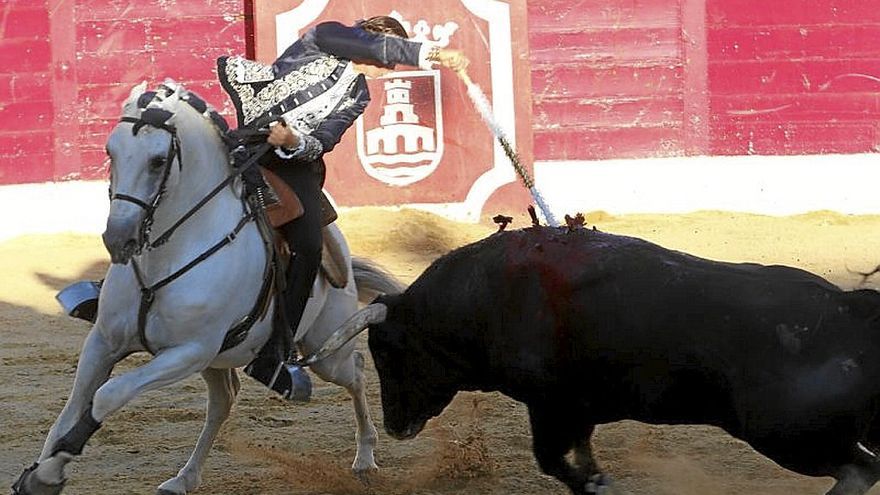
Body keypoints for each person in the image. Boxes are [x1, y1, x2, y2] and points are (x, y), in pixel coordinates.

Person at [217, 16, 469, 400]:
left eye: (389, 62)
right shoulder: (324, 37)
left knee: (309, 246)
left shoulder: (358, 95)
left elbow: (325, 138)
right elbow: (372, 47)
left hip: (291, 162)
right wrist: (431, 53)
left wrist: (294, 140)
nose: (384, 67)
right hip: (247, 142)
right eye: (384, 57)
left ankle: (272, 354)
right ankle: (110, 289)